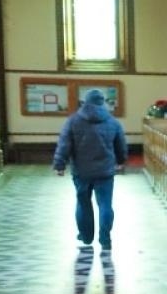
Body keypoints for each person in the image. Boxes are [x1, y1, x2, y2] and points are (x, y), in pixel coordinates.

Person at [52, 88, 127, 249]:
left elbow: (64, 144)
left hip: (81, 172)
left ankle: (86, 236)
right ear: (102, 102)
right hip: (105, 171)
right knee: (105, 204)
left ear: (85, 102)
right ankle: (105, 238)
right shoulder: (113, 122)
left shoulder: (73, 121)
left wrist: (60, 165)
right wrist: (121, 160)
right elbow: (121, 144)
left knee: (83, 203)